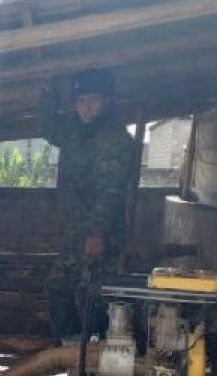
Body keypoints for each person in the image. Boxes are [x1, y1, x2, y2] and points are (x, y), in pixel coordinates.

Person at [40, 68, 140, 343]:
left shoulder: (115, 142)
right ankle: (77, 349)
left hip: (100, 233)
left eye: (92, 100)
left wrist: (97, 233)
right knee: (62, 287)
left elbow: (111, 193)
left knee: (94, 293)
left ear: (107, 101)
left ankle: (92, 354)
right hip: (77, 229)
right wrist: (47, 96)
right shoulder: (76, 130)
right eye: (80, 100)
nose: (85, 107)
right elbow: (49, 129)